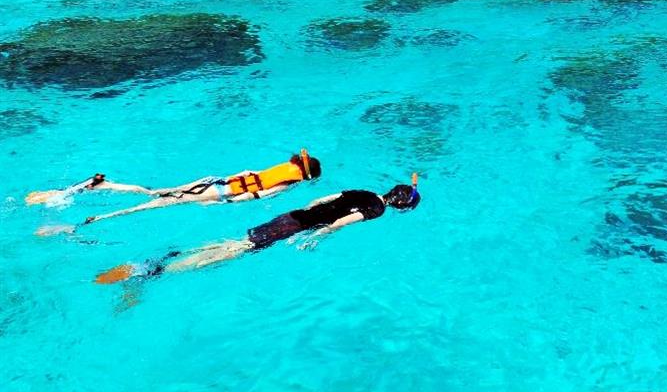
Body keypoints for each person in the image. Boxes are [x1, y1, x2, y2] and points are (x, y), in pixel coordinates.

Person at [95, 175, 421, 284]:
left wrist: (307, 216)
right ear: (399, 206)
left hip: (292, 214)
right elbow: (342, 221)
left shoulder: (365, 193)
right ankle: (154, 269)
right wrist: (317, 235)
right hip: (295, 226)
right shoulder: (375, 210)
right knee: (232, 252)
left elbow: (325, 199)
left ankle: (165, 261)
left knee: (240, 243)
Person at [30, 150, 321, 233]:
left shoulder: (282, 168)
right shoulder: (287, 183)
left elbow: (245, 174)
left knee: (154, 192)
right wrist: (221, 205)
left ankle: (102, 185)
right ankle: (81, 224)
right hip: (215, 194)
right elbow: (255, 195)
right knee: (150, 205)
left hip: (211, 181)